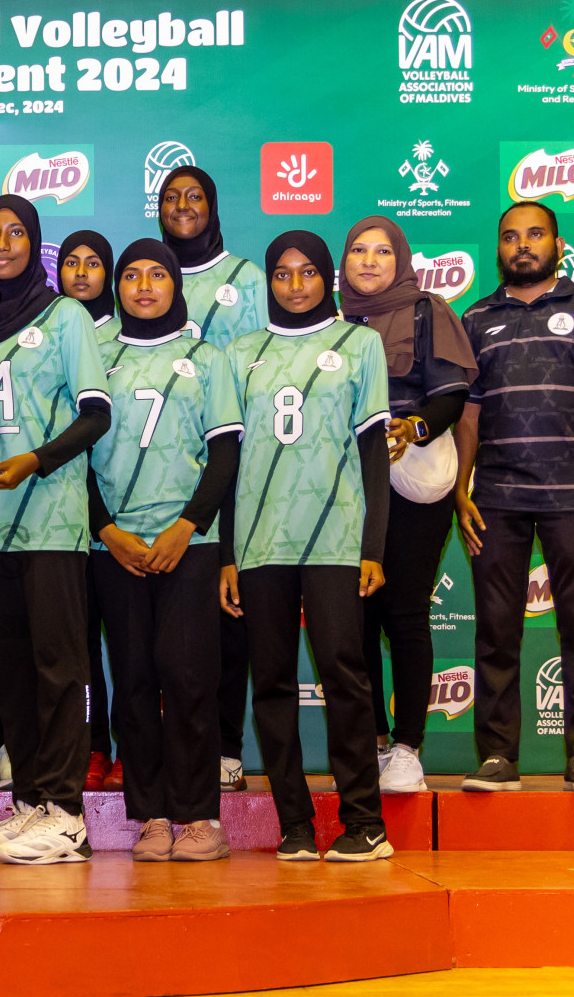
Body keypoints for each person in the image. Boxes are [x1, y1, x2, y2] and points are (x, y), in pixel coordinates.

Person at [0, 194, 110, 865]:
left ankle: (67, 813)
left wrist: (35, 461)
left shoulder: (66, 316)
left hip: (49, 523)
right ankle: (27, 807)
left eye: (17, 232)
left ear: (33, 242)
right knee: (10, 673)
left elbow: (96, 413)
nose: (3, 243)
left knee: (57, 670)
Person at [454, 201, 574, 794]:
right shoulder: (477, 318)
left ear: (558, 245)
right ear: (498, 247)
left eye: (534, 235)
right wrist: (461, 489)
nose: (521, 245)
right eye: (510, 237)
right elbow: (470, 416)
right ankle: (498, 760)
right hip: (497, 499)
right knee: (496, 631)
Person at [224, 230, 392, 862]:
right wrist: (227, 556)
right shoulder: (242, 351)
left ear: (329, 278)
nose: (295, 285)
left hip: (336, 538)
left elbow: (374, 451)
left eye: (308, 273)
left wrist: (372, 545)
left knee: (346, 677)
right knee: (268, 682)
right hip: (261, 543)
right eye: (282, 274)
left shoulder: (360, 343)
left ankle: (365, 824)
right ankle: (293, 824)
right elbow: (229, 460)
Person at [89, 239, 241, 861]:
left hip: (190, 545)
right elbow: (76, 460)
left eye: (158, 274)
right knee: (132, 680)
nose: (144, 285)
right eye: (132, 275)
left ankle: (199, 815)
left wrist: (188, 525)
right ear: (117, 287)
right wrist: (108, 531)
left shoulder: (208, 357)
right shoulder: (96, 357)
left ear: (176, 285)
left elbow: (226, 452)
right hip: (115, 547)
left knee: (187, 677)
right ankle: (150, 815)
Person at [338, 216, 476, 794]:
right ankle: (370, 741)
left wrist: (413, 426)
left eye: (381, 252)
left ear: (400, 259)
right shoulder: (329, 320)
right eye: (358, 251)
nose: (369, 262)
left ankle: (408, 749)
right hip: (343, 483)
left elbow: (451, 395)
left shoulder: (428, 310)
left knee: (406, 613)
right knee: (355, 618)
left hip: (412, 477)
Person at [158, 164, 265, 793]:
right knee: (170, 631)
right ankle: (177, 747)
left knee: (230, 613)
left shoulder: (248, 279)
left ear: (213, 205)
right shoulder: (141, 278)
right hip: (168, 476)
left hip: (239, 465)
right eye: (171, 198)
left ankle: (226, 747)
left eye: (195, 195)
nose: (182, 206)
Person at [57, 228, 120, 791]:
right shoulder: (49, 332)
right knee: (79, 646)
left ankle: (134, 745)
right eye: (71, 262)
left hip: (125, 521)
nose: (81, 272)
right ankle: (94, 746)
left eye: (94, 263)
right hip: (68, 517)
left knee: (129, 646)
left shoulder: (131, 337)